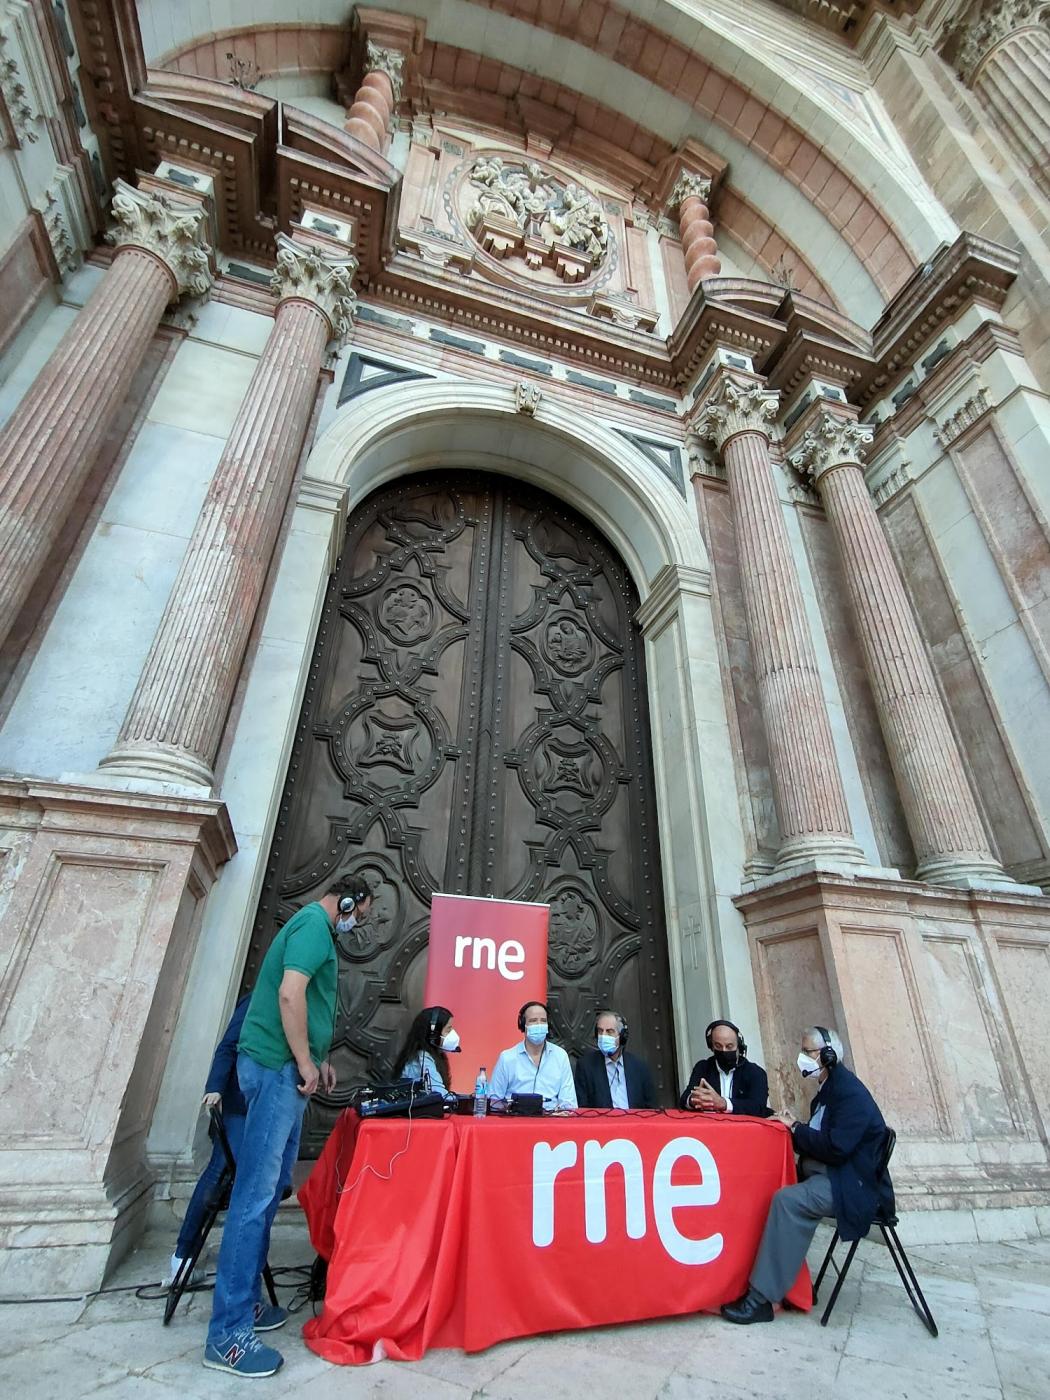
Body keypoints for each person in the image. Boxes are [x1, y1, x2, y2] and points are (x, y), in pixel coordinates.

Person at [204, 876, 372, 1378]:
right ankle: (227, 1335)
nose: (355, 923)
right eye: (357, 914)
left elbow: (300, 1003)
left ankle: (248, 1302)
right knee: (254, 1197)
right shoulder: (315, 927)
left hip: (285, 1068)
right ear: (345, 901)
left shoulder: (310, 928)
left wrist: (315, 1059)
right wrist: (302, 1060)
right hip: (278, 1071)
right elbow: (289, 994)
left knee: (270, 1186)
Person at [721, 1025, 892, 1325]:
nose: (803, 1058)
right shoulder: (830, 1090)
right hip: (834, 1175)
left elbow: (837, 1148)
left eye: (809, 1052)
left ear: (828, 1054)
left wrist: (796, 1129)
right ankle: (789, 1284)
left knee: (788, 1201)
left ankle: (759, 1299)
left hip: (852, 1186)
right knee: (766, 1190)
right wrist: (793, 1124)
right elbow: (822, 1137)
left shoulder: (849, 1093)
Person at [170, 993, 250, 1282]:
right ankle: (183, 1255)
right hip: (239, 1104)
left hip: (263, 1106)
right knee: (219, 1171)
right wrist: (215, 1086)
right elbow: (228, 1046)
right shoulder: (256, 1000)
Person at [490, 1001, 577, 1110]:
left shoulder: (560, 1056)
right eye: (533, 1021)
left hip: (550, 1121)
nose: (539, 1025)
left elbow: (568, 1102)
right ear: (523, 1025)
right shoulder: (507, 1058)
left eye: (543, 1021)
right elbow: (493, 1101)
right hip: (515, 1120)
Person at [680, 1019, 769, 1115]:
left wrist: (724, 1103)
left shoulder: (755, 1073)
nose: (724, 1050)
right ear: (711, 1046)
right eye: (718, 1046)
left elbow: (758, 1106)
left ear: (739, 1046)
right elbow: (684, 1099)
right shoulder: (703, 1067)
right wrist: (694, 1100)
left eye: (729, 1046)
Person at [574, 1009, 657, 1108]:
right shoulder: (586, 1066)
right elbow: (583, 1108)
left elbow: (651, 1108)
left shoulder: (639, 1067)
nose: (603, 1036)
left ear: (622, 1036)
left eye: (609, 1032)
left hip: (634, 1122)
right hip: (603, 1122)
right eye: (600, 1031)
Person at [393, 1005, 460, 1096]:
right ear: (433, 1034)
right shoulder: (422, 1057)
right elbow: (439, 1094)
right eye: (448, 1029)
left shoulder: (435, 1055)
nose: (453, 1033)